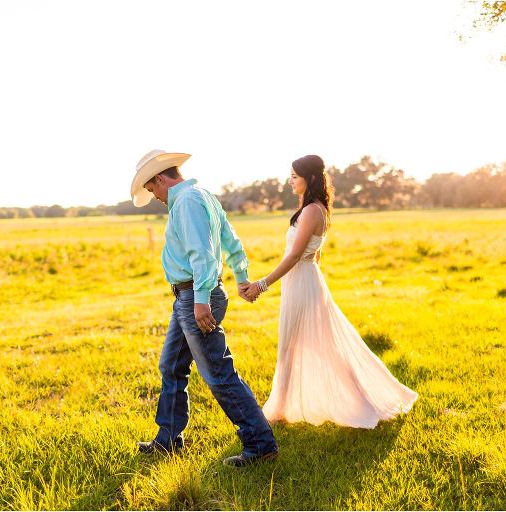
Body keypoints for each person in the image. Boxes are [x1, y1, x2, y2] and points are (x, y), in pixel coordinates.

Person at [244, 154, 419, 427]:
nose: (290, 182)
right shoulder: (314, 208)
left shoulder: (313, 210)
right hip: (305, 280)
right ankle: (280, 406)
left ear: (310, 178)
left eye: (294, 177)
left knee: (297, 343)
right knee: (298, 342)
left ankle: (281, 408)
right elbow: (314, 256)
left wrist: (261, 285)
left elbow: (294, 256)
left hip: (302, 280)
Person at [130, 149, 279, 467]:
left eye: (151, 188)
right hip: (189, 298)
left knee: (218, 373)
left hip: (197, 298)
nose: (153, 195)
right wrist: (240, 277)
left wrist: (199, 302)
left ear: (160, 178)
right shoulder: (203, 196)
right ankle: (168, 440)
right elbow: (232, 241)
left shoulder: (186, 202)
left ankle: (260, 444)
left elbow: (202, 254)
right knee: (171, 367)